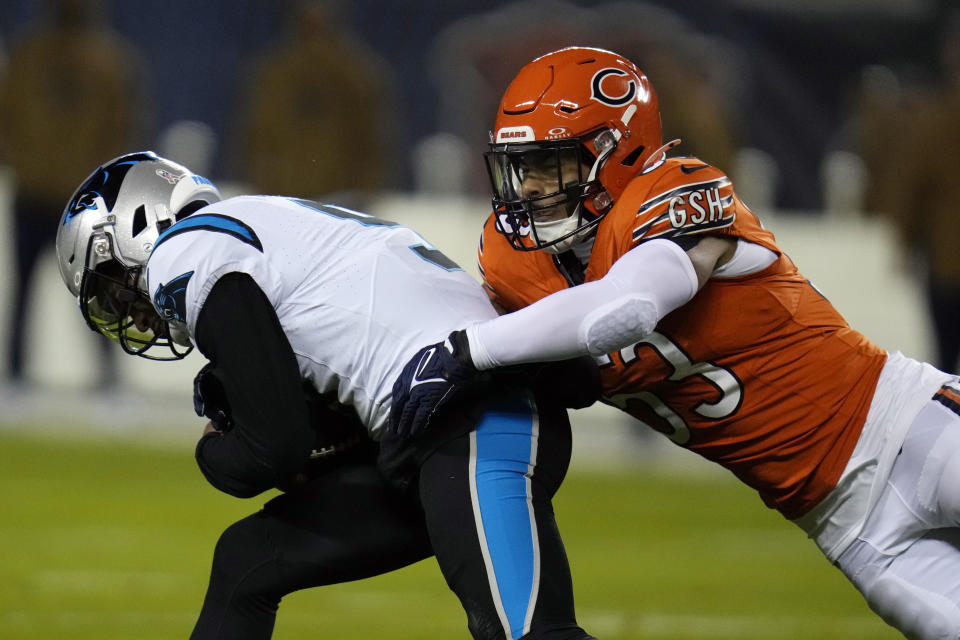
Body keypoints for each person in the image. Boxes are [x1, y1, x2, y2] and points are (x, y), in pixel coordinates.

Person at [389, 47, 960, 639]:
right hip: (845, 523)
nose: (528, 188)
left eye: (549, 164)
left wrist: (469, 349)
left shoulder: (675, 189)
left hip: (911, 427)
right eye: (519, 166)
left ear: (615, 154)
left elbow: (628, 307)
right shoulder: (515, 267)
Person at [55, 151, 599, 640]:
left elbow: (274, 448)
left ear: (135, 227)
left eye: (109, 283)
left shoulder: (186, 250)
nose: (127, 312)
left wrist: (214, 453)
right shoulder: (265, 228)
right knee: (248, 562)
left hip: (479, 423)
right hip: (436, 429)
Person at [0, 0, 148, 388]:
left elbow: (122, 128)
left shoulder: (109, 61)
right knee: (53, 290)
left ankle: (107, 378)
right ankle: (17, 374)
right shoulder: (30, 55)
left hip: (80, 198)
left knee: (95, 289)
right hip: (46, 191)